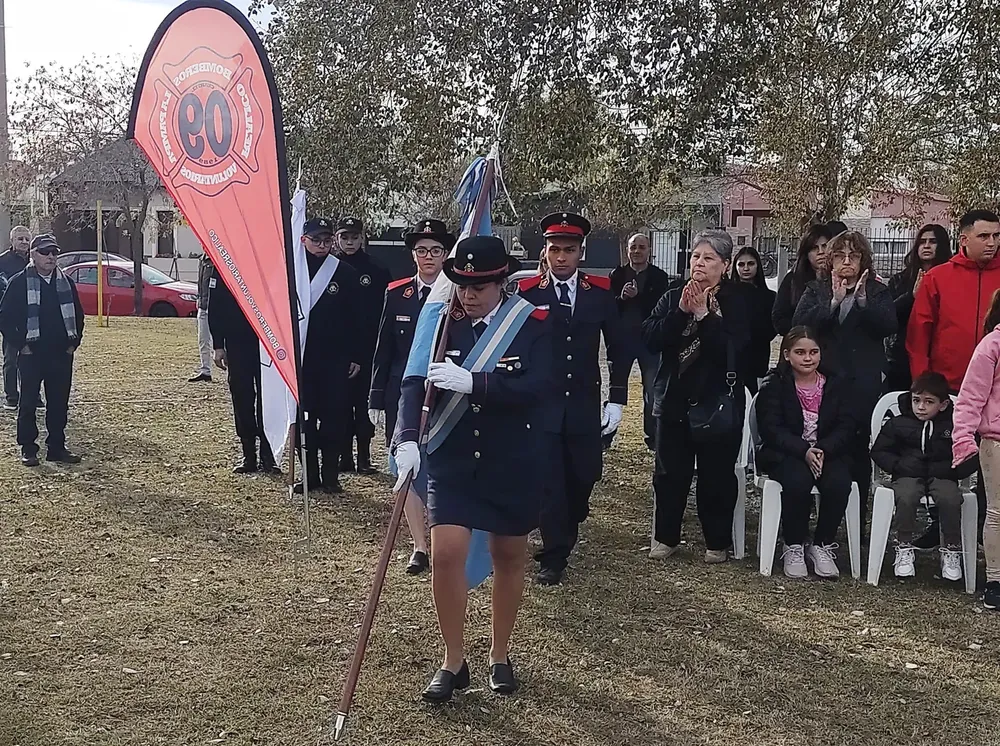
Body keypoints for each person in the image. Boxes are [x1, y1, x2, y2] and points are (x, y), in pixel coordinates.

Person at [392, 235, 552, 701]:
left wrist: (477, 383)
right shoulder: (440, 322)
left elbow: (539, 386)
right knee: (445, 555)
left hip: (512, 458)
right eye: (461, 283)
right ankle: (453, 659)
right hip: (453, 456)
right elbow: (412, 385)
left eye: (480, 285)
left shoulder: (533, 323)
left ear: (502, 281)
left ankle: (499, 654)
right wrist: (405, 440)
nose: (469, 293)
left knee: (509, 556)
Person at [517, 212, 631, 585]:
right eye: (554, 250)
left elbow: (618, 346)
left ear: (581, 252)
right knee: (551, 483)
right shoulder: (528, 292)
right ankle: (554, 557)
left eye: (569, 250)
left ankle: (569, 517)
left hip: (583, 402)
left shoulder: (598, 292)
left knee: (584, 477)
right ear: (545, 252)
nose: (561, 257)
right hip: (543, 404)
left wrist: (617, 398)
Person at [642, 229, 749, 563]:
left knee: (716, 475)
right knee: (669, 472)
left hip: (717, 398)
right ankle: (666, 537)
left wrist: (705, 316)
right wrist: (682, 313)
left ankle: (716, 542)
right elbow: (650, 337)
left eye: (708, 258)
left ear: (725, 265)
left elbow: (733, 348)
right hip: (674, 396)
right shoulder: (674, 294)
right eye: (695, 257)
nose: (699, 264)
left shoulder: (738, 300)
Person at [907, 209, 1000, 548]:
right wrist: (924, 386)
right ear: (964, 239)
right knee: (945, 459)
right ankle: (942, 527)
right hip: (947, 386)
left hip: (995, 394)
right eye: (984, 236)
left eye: (996, 236)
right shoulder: (938, 278)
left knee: (991, 463)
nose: (992, 242)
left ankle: (985, 531)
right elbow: (919, 335)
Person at [369, 218, 455, 575]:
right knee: (405, 466)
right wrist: (375, 397)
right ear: (412, 254)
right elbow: (383, 347)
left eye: (436, 251)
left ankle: (445, 537)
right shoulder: (396, 293)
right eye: (422, 251)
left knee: (441, 465)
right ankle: (420, 545)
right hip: (401, 395)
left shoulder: (457, 295)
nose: (429, 257)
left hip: (445, 393)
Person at [792, 231, 896, 521]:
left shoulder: (877, 290)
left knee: (859, 450)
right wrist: (833, 303)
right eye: (840, 255)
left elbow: (888, 324)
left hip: (863, 381)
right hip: (825, 380)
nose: (847, 261)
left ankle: (858, 520)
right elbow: (799, 325)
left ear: (864, 260)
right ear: (831, 261)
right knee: (824, 443)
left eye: (854, 255)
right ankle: (819, 517)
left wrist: (862, 302)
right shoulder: (817, 289)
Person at [756, 327, 856, 578]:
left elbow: (847, 425)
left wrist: (822, 449)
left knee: (839, 483)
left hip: (825, 452)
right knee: (797, 481)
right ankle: (794, 544)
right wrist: (803, 450)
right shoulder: (774, 383)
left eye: (813, 352)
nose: (808, 358)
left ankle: (822, 544)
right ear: (787, 355)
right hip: (785, 453)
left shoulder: (835, 383)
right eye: (800, 352)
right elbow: (771, 429)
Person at [871, 371, 976, 581]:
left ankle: (951, 549)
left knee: (950, 499)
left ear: (943, 405)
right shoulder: (898, 424)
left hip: (944, 476)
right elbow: (879, 450)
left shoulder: (955, 426)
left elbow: (971, 453)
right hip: (907, 475)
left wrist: (955, 470)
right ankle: (904, 546)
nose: (921, 407)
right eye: (916, 400)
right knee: (906, 497)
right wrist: (898, 466)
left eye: (929, 402)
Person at [0, 234, 84, 466]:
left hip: (60, 353)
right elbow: (5, 318)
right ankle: (28, 448)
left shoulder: (66, 282)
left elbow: (78, 315)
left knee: (59, 403)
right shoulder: (19, 282)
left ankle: (56, 447)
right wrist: (21, 345)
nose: (50, 257)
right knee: (27, 403)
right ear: (33, 255)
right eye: (45, 252)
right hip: (32, 354)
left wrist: (72, 344)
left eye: (54, 252)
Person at [296, 217, 362, 494]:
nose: (322, 245)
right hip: (302, 359)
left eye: (326, 240)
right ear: (304, 241)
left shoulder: (344, 273)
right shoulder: (293, 272)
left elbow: (358, 319)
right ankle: (309, 473)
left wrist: (356, 354)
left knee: (334, 419)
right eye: (316, 240)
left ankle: (331, 474)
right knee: (304, 419)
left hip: (335, 359)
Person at [952, 289, 1000, 610]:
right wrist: (963, 440)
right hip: (995, 441)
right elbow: (970, 397)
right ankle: (995, 580)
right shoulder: (991, 346)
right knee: (997, 512)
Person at [208, 267, 279, 476]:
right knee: (241, 396)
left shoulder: (270, 259)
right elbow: (216, 305)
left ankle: (269, 453)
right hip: (237, 341)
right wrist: (218, 344)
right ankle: (248, 453)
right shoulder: (225, 262)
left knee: (268, 398)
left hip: (268, 343)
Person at [335, 216, 390, 474]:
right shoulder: (329, 267)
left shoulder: (377, 269)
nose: (349, 242)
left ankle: (364, 457)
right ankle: (343, 456)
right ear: (337, 239)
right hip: (337, 348)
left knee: (363, 404)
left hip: (369, 348)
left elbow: (385, 312)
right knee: (341, 404)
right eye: (344, 237)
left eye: (354, 237)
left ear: (362, 238)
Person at [609, 233, 671, 449]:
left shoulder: (659, 277)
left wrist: (638, 296)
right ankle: (607, 433)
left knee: (652, 391)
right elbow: (608, 309)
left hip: (649, 342)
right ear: (627, 250)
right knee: (615, 389)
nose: (637, 251)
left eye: (641, 247)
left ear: (649, 250)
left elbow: (661, 309)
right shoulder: (616, 276)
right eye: (633, 247)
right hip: (621, 342)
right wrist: (623, 298)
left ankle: (653, 437)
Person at [884, 225, 952, 392]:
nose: (926, 246)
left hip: (939, 356)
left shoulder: (951, 279)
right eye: (922, 242)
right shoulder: (899, 280)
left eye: (932, 241)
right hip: (903, 357)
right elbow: (888, 315)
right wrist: (911, 296)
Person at [730, 244, 776, 394]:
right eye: (741, 264)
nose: (746, 268)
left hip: (758, 355)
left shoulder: (769, 297)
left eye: (750, 263)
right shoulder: (726, 294)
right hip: (732, 356)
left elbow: (772, 326)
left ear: (758, 266)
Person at [772, 225, 831, 336]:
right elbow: (779, 319)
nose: (821, 252)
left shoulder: (839, 279)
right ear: (807, 254)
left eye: (825, 246)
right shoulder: (792, 280)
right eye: (814, 248)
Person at [0, 226, 32, 410]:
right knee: (11, 358)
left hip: (33, 316)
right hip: (11, 317)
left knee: (32, 358)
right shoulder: (2, 262)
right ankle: (11, 396)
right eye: (20, 239)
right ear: (12, 241)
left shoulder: (35, 261)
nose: (24, 242)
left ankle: (32, 395)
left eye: (27, 239)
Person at [189, 252, 214, 383]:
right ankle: (205, 370)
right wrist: (199, 297)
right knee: (203, 339)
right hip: (203, 306)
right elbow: (200, 282)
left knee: (221, 341)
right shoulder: (202, 260)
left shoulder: (216, 259)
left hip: (215, 306)